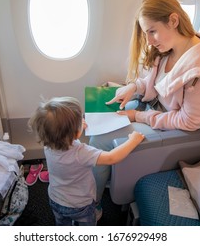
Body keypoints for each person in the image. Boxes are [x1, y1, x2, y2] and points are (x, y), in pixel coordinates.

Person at [90, 0, 200, 213]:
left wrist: (138, 116)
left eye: (152, 31)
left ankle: (91, 205)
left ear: (173, 21)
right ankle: (106, 175)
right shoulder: (170, 49)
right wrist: (134, 87)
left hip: (180, 130)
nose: (149, 41)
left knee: (99, 138)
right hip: (157, 113)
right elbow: (156, 82)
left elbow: (188, 122)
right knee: (102, 109)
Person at [28, 96, 145, 226]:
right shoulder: (82, 152)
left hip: (55, 198)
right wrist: (133, 141)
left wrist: (76, 129)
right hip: (80, 204)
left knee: (62, 223)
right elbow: (112, 157)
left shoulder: (48, 145)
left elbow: (61, 134)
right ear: (76, 133)